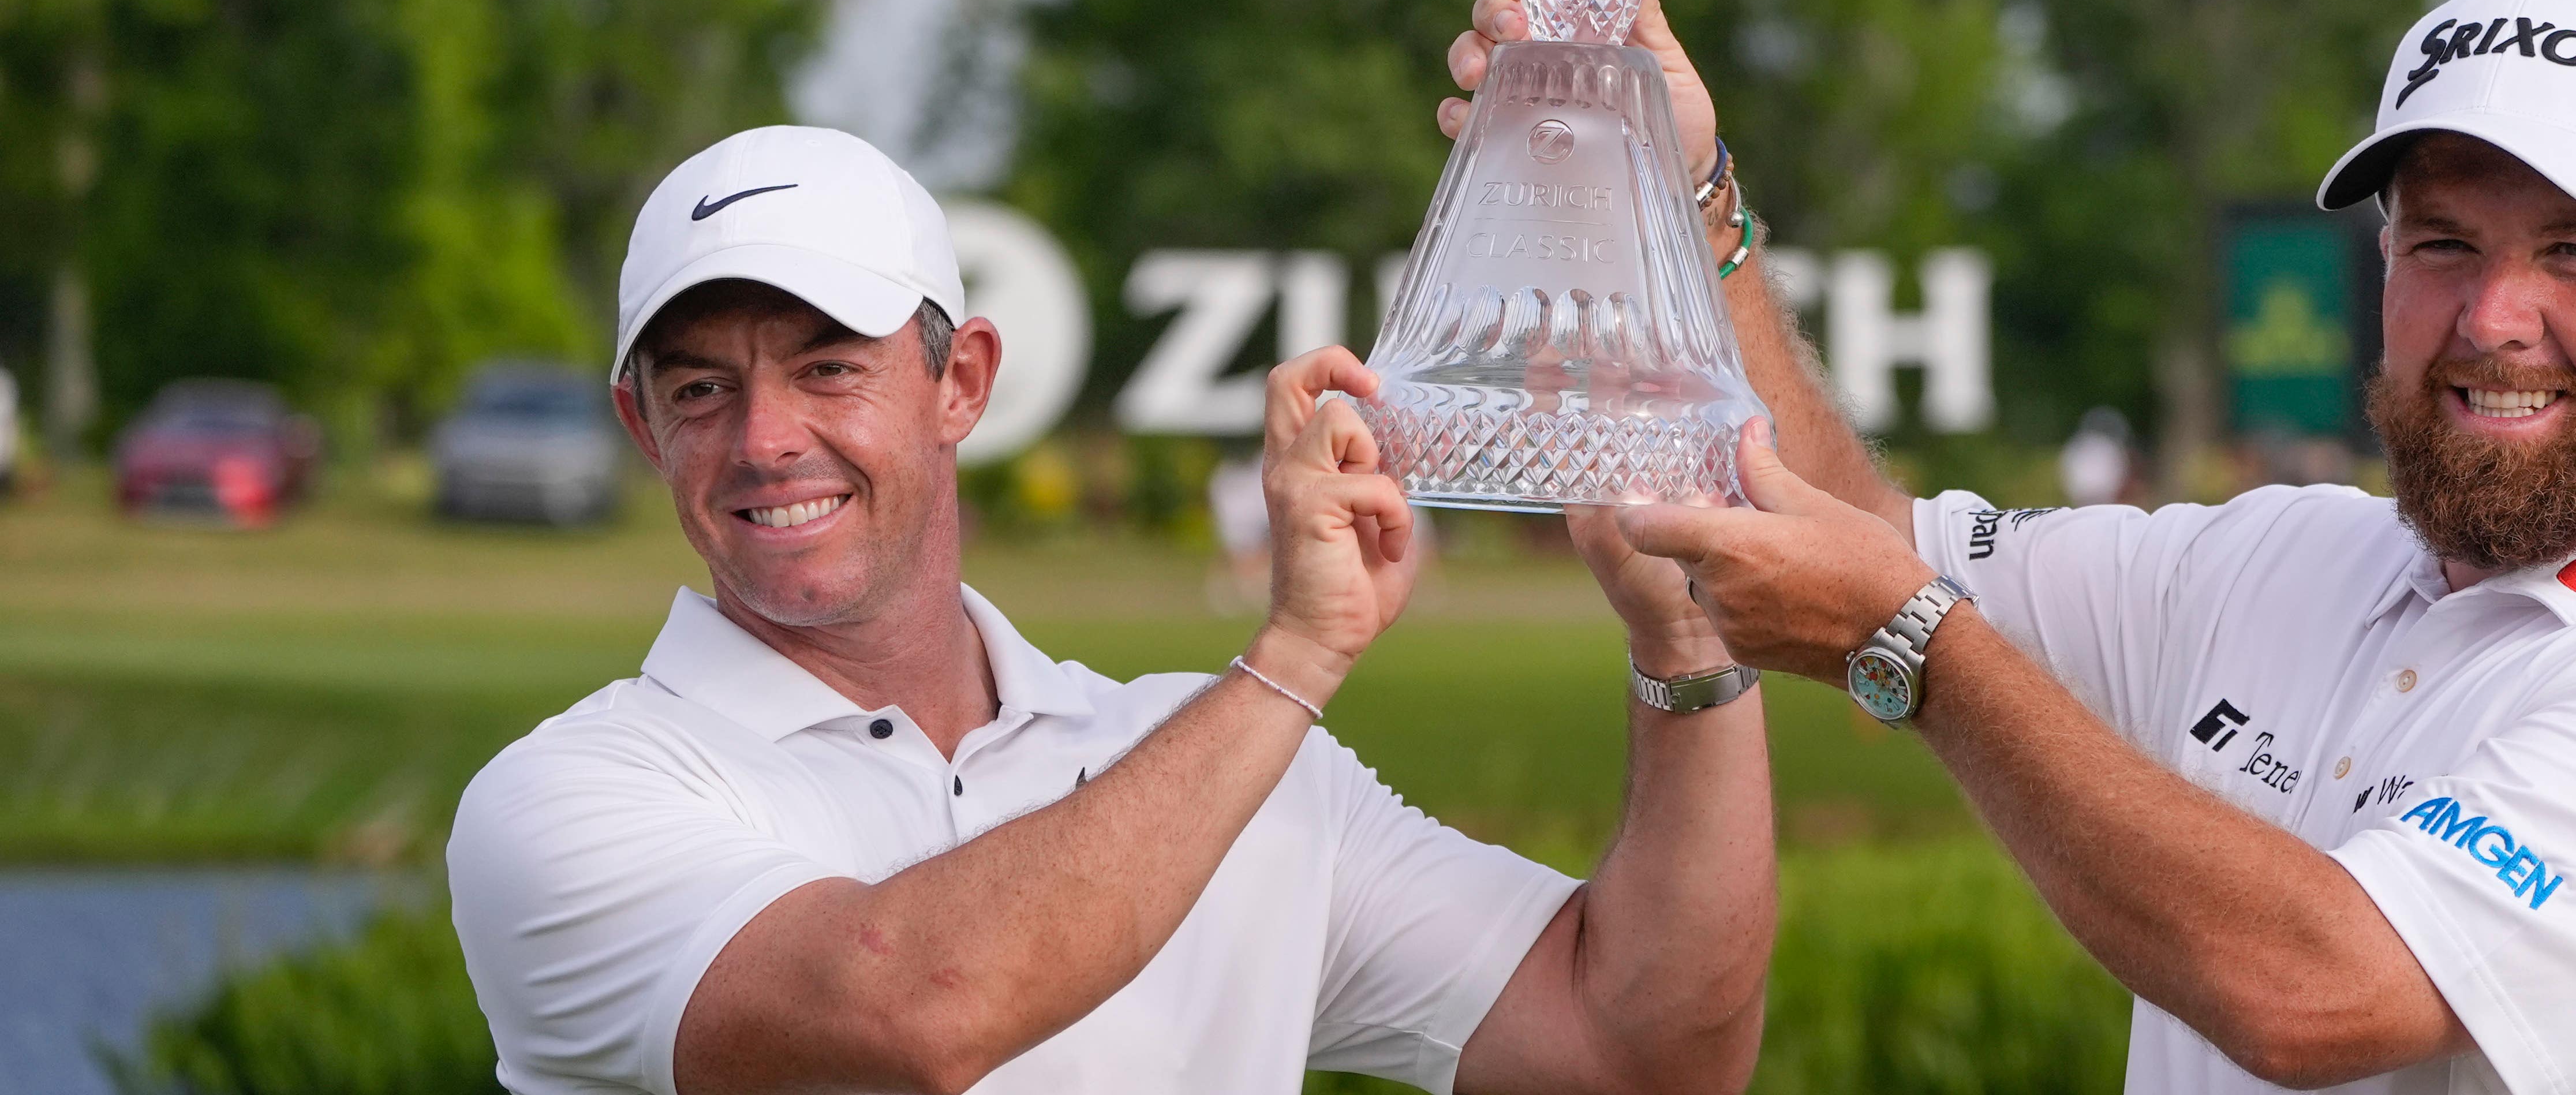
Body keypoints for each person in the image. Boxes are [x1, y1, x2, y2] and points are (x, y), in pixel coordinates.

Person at [1440, 0, 2576, 1094]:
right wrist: (1686, 196)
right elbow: (1843, 531)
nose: (2496, 319)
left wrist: (1920, 647)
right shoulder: (2288, 559)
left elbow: (2319, 994)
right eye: (2442, 244)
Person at [448, 125, 1773, 1095]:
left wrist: (1690, 650)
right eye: (700, 392)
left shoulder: (1236, 761)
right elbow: (918, 1012)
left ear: (960, 382)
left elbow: (1641, 1049)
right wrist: (1295, 659)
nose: (765, 438)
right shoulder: (567, 797)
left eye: (828, 368)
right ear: (641, 425)